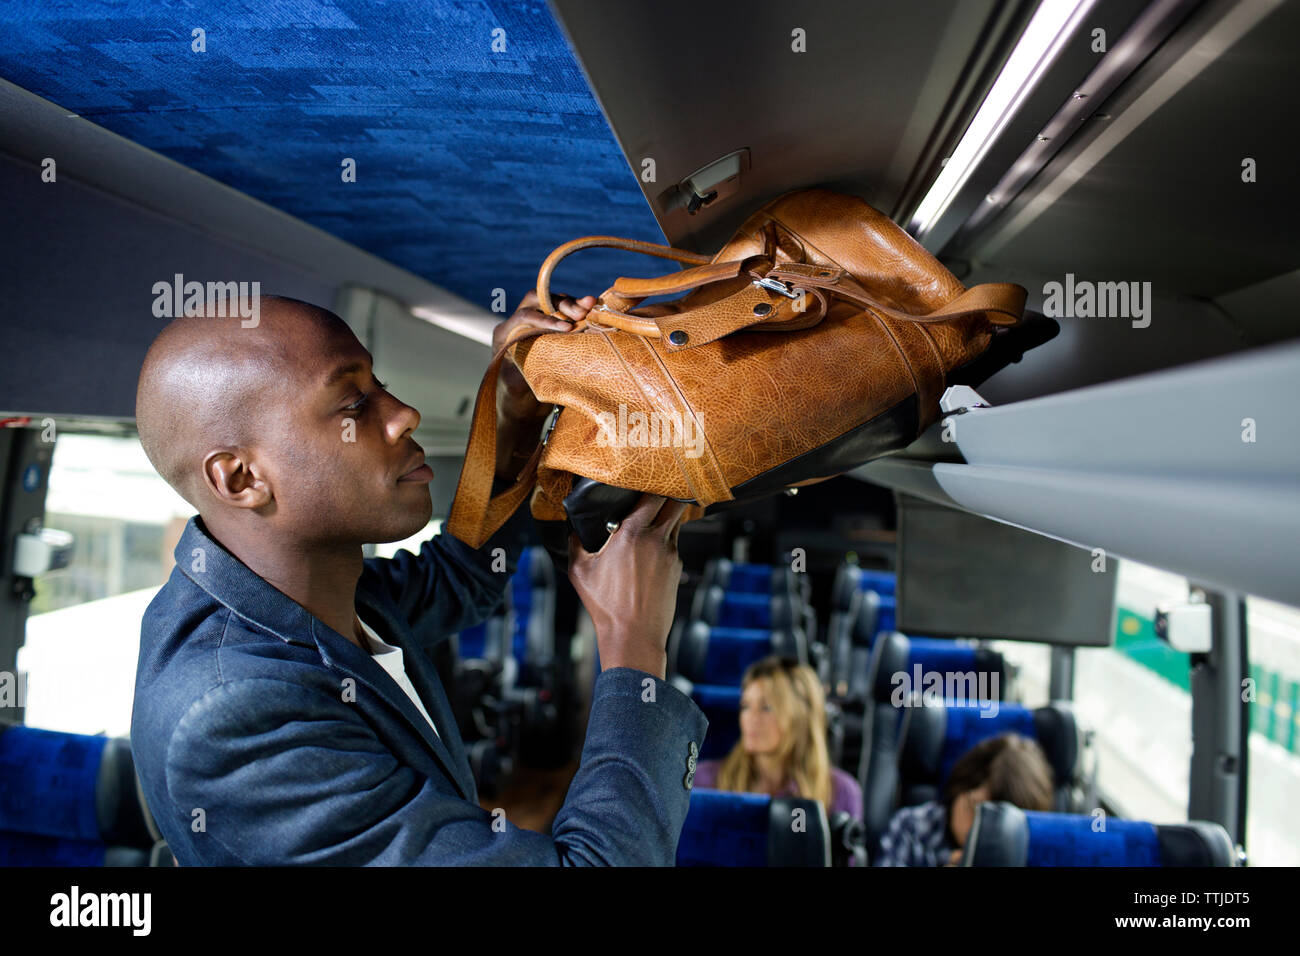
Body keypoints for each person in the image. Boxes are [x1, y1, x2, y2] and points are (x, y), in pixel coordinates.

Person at [130, 290, 708, 865]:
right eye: (353, 403)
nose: (404, 413)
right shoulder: (236, 723)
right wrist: (634, 645)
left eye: (377, 384)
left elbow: (462, 579)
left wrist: (510, 413)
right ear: (240, 478)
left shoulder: (294, 591)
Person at [692, 656, 862, 824]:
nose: (751, 718)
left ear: (800, 718)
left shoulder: (841, 792)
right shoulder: (703, 781)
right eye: (746, 706)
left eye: (766, 708)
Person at [873, 732, 1054, 866]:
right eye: (975, 810)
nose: (976, 832)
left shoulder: (1029, 854)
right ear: (962, 787)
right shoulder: (911, 828)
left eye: (994, 828)